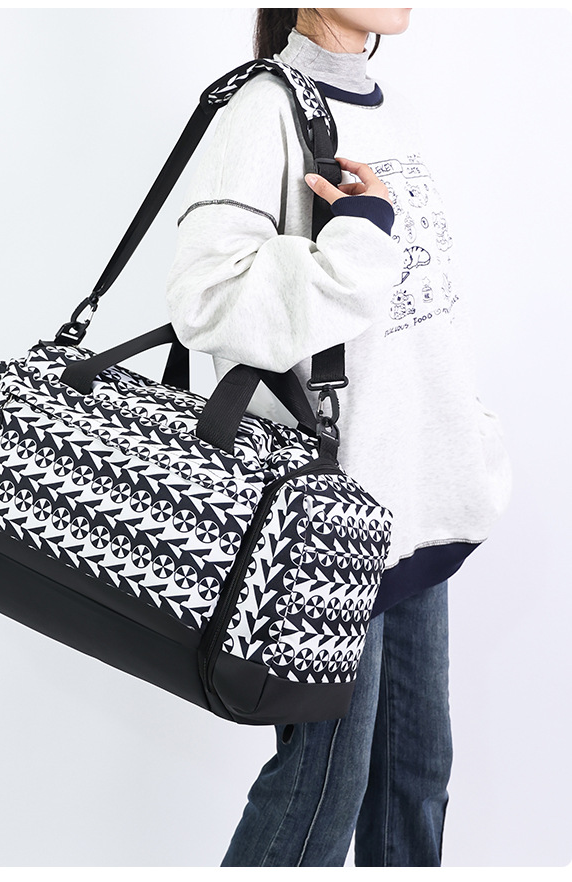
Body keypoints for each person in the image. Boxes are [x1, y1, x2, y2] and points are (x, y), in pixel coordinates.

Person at [164, 8, 511, 868]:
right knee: (323, 789)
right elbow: (207, 302)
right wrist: (358, 231)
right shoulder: (262, 110)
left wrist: (462, 429)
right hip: (332, 516)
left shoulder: (389, 106)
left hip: (416, 493)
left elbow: (416, 309)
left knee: (415, 778)